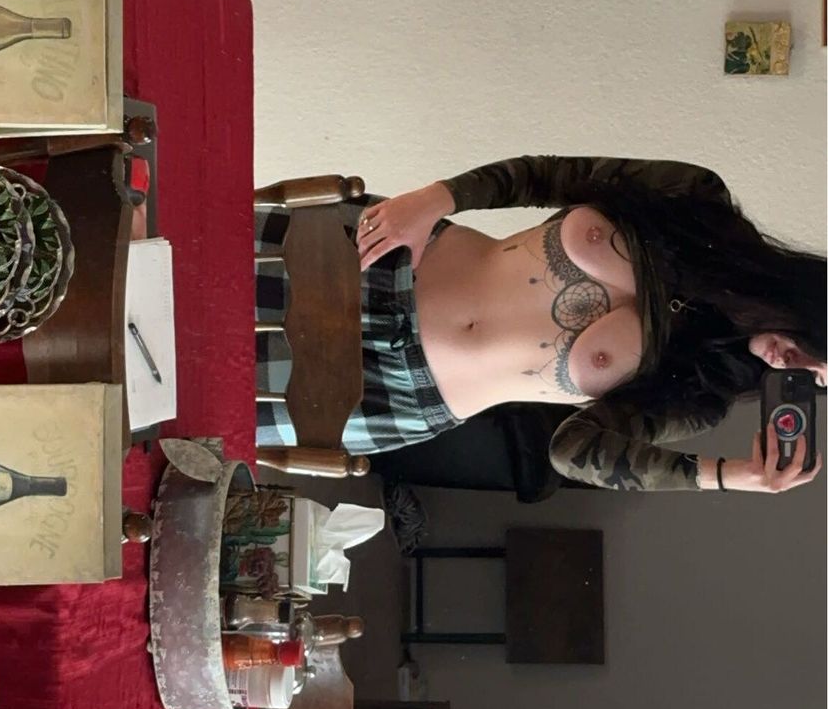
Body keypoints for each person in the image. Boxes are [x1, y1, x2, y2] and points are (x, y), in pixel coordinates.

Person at [255, 153, 825, 493]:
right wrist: (438, 198)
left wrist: (726, 474)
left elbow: (573, 450)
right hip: (379, 261)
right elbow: (548, 175)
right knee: (199, 260)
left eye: (820, 379)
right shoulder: (699, 200)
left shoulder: (702, 391)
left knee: (208, 404)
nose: (797, 366)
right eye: (818, 350)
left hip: (390, 393)